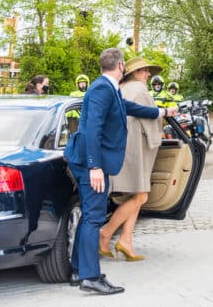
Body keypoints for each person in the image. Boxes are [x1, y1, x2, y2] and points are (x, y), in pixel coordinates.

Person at [64, 48, 175, 295]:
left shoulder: (108, 87)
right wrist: (94, 166)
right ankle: (91, 277)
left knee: (89, 215)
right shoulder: (102, 89)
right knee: (94, 217)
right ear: (121, 65)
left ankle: (78, 270)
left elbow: (128, 107)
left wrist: (161, 112)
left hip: (91, 160)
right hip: (90, 163)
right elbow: (92, 129)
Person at [99, 57, 164, 262]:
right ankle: (106, 233)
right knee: (141, 196)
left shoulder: (121, 88)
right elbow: (151, 117)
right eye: (144, 70)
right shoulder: (139, 89)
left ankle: (126, 241)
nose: (148, 74)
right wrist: (158, 135)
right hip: (136, 149)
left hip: (122, 147)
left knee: (135, 194)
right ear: (135, 72)